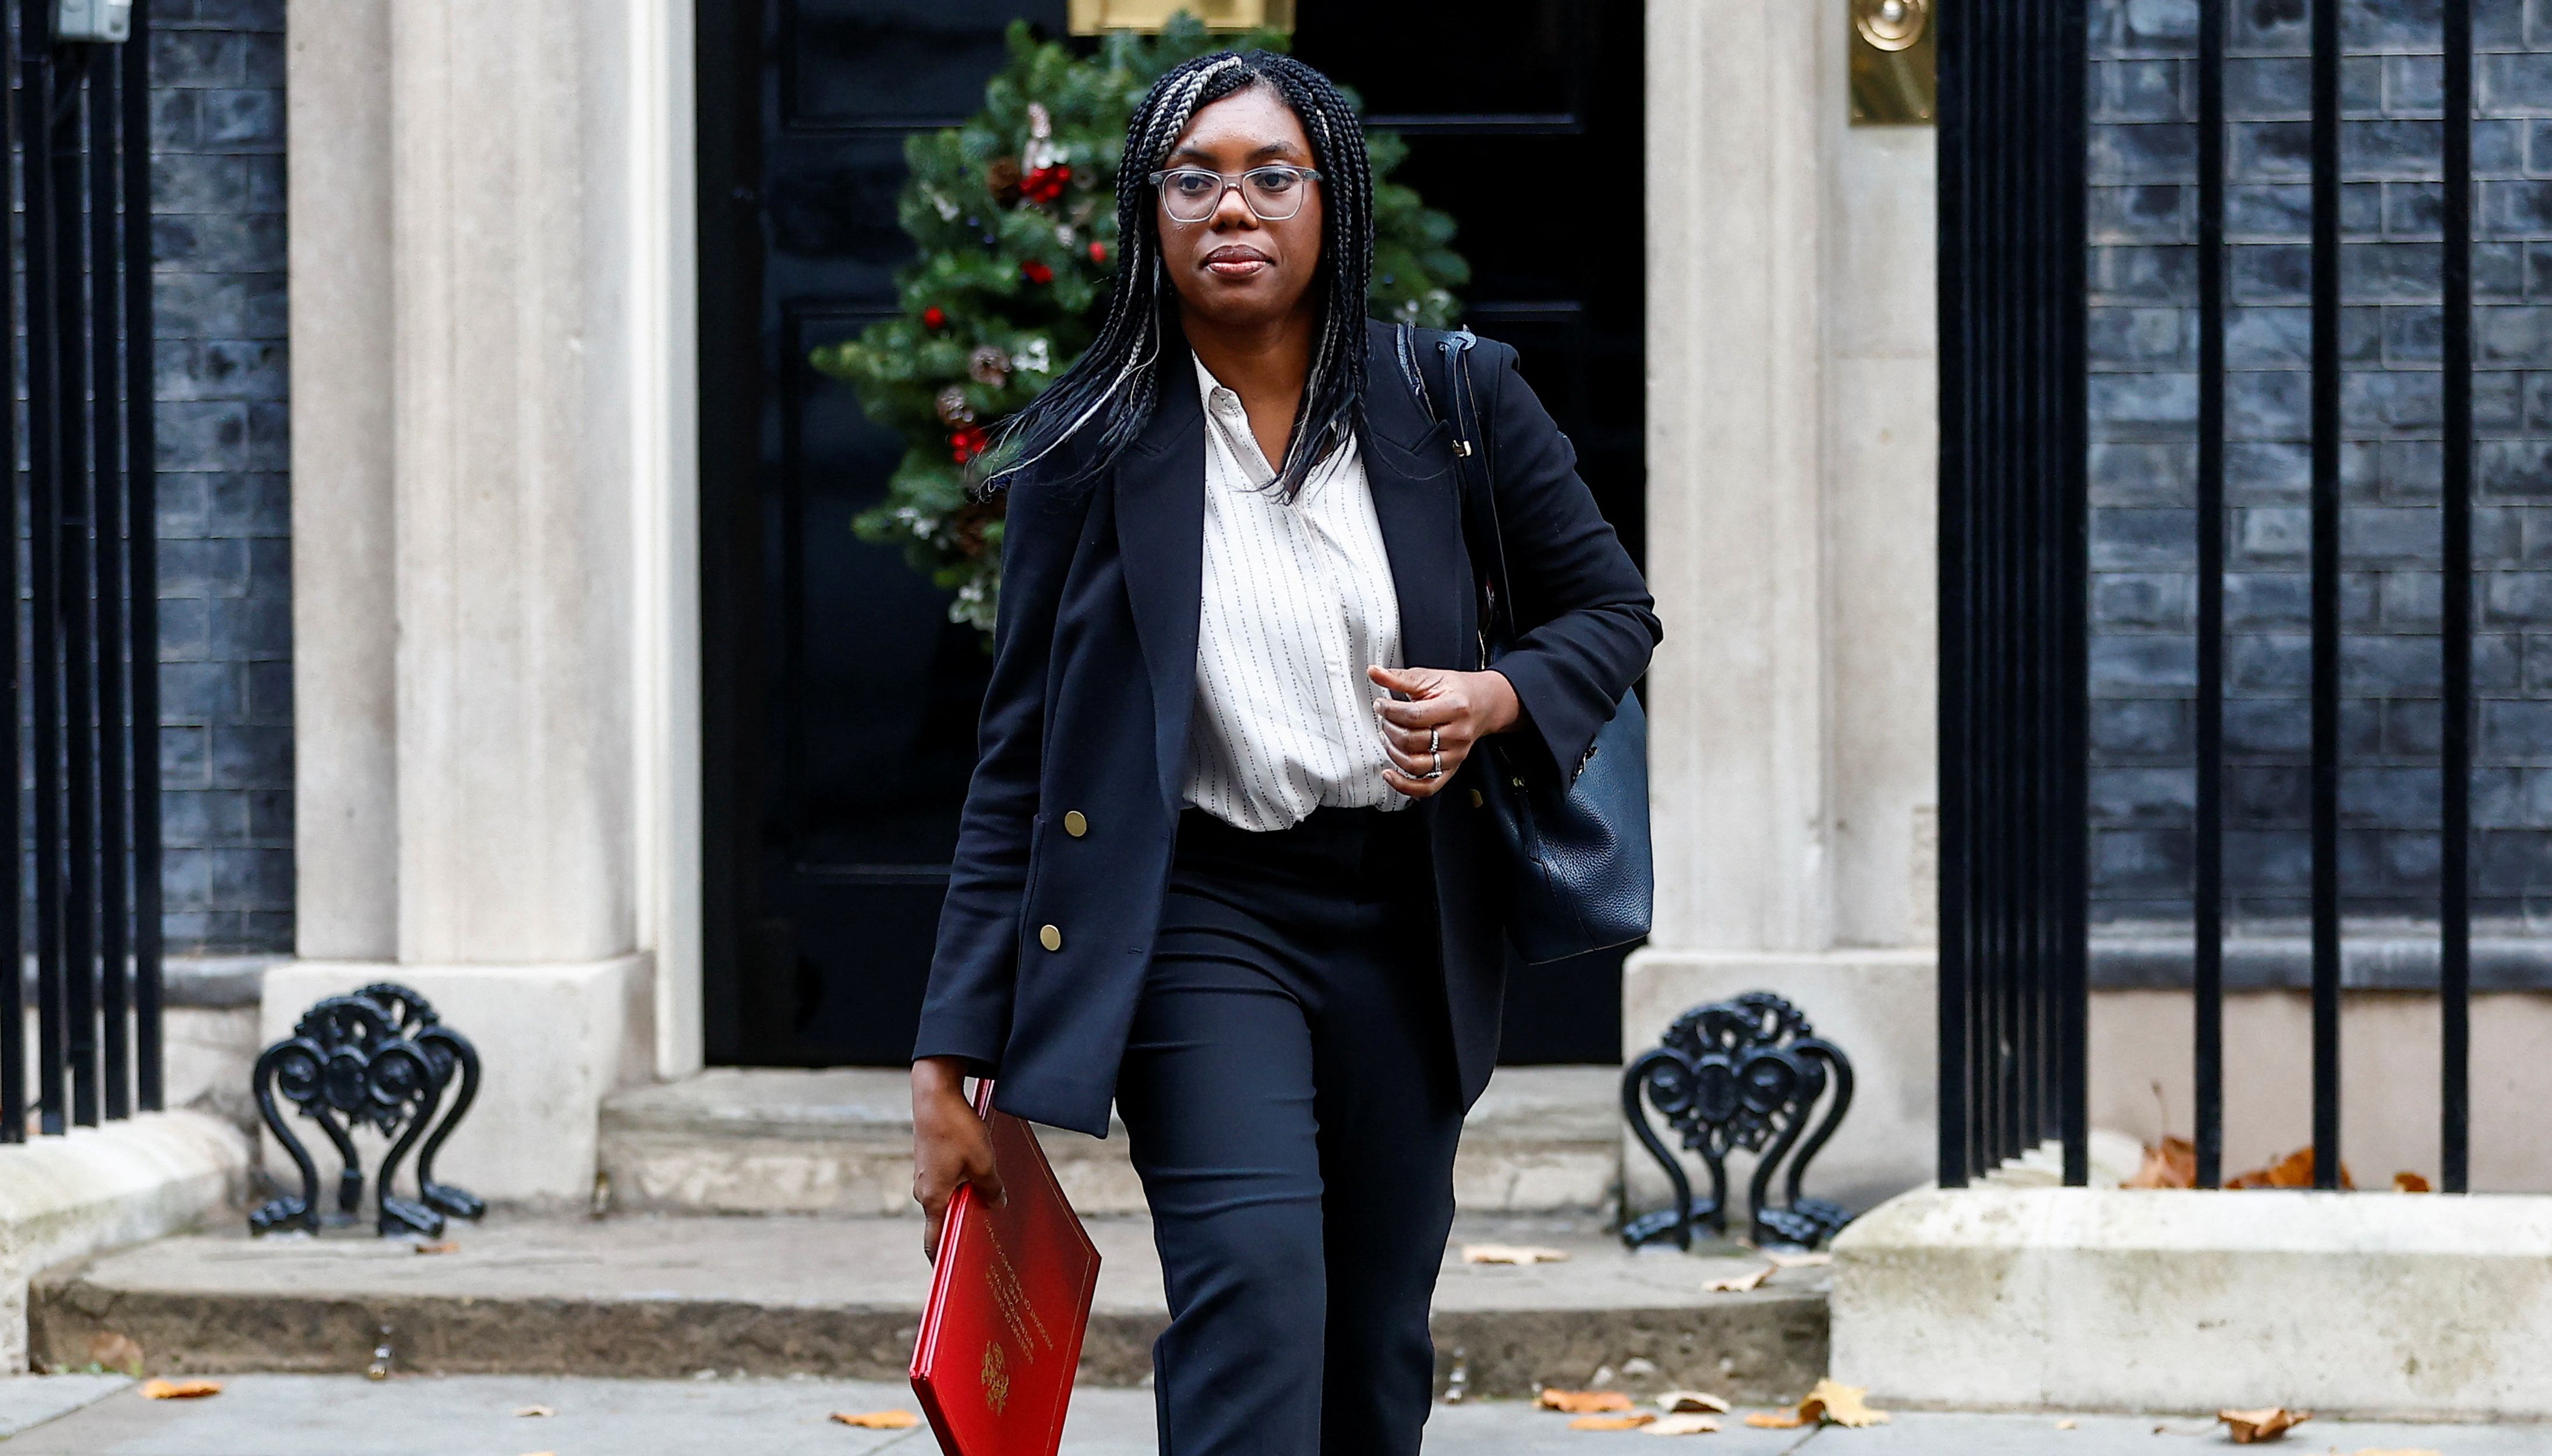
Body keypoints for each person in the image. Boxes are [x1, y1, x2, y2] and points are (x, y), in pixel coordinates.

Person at [908, 47, 1659, 1456]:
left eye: (1270, 175)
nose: (1231, 208)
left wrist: (1496, 697)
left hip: (1408, 910)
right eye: (1192, 179)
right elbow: (1018, 760)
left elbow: (1611, 610)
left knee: (1371, 1340)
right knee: (1253, 1292)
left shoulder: (1451, 398)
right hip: (1203, 912)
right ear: (1149, 212)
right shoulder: (1085, 445)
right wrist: (947, 1058)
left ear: (1333, 201)